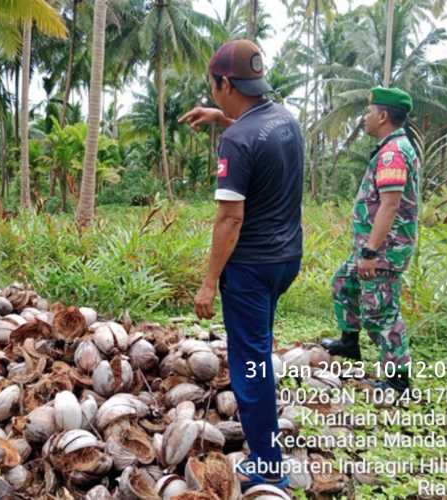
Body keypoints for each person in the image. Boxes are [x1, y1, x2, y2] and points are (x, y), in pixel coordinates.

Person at [179, 39, 303, 491]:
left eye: (214, 88)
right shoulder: (285, 119)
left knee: (250, 364)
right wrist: (222, 119)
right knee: (260, 344)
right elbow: (260, 139)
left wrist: (209, 282)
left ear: (225, 82)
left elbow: (230, 219)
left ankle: (269, 465)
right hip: (286, 259)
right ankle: (268, 438)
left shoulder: (238, 140)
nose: (213, 94)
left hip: (250, 267)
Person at [321, 87, 418, 394]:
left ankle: (398, 378)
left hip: (383, 251)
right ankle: (349, 342)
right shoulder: (390, 147)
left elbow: (390, 205)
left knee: (381, 313)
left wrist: (370, 251)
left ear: (383, 115)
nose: (364, 118)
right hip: (373, 248)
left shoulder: (393, 152)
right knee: (344, 283)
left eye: (368, 112)